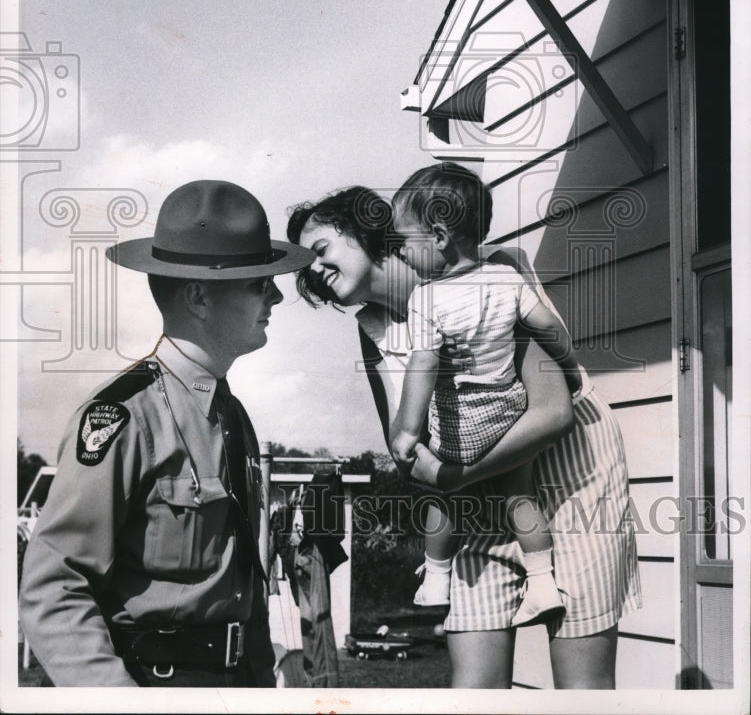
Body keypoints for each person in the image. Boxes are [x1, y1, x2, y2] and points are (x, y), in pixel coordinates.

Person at [287, 183, 641, 689]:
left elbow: (551, 412)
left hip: (569, 481)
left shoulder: (486, 275)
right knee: (474, 689)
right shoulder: (373, 330)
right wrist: (438, 472)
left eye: (320, 250)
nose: (314, 270)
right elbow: (401, 441)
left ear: (366, 232)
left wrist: (450, 474)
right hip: (471, 500)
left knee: (580, 690)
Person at [19, 180, 314, 687]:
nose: (278, 295)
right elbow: (55, 586)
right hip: (151, 681)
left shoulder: (232, 416)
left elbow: (243, 586)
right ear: (198, 296)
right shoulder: (122, 417)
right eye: (257, 283)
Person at [389, 163, 567, 627]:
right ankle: (543, 583)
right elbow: (545, 325)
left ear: (440, 236)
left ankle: (436, 577)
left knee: (440, 493)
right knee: (520, 495)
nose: (401, 252)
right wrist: (566, 358)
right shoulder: (506, 278)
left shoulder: (425, 299)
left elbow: (422, 364)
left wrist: (409, 430)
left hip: (461, 420)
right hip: (510, 411)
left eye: (405, 241)